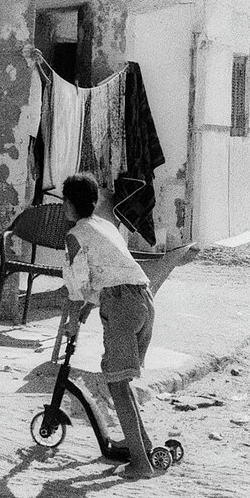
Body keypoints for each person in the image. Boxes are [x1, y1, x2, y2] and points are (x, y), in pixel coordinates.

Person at [60, 173, 157, 479]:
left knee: (116, 382)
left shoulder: (76, 234)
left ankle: (141, 464)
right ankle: (142, 445)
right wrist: (89, 307)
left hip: (121, 305)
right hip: (143, 299)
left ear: (68, 203)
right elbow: (110, 272)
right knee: (122, 381)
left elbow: (76, 285)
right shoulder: (104, 225)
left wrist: (72, 322)